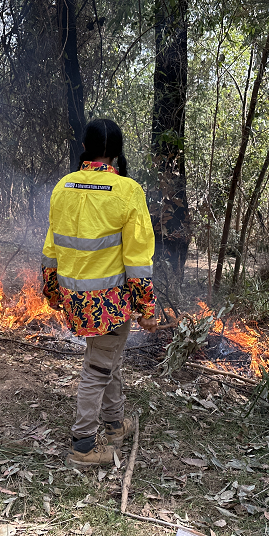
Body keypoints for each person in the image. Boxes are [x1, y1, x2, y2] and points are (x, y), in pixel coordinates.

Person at [42, 118, 158, 468]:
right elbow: (138, 258)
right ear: (117, 152)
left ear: (85, 146)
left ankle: (114, 426)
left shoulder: (64, 186)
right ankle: (82, 447)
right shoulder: (126, 191)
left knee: (108, 361)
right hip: (108, 304)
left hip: (74, 298)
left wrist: (51, 292)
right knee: (97, 369)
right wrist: (147, 308)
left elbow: (51, 247)